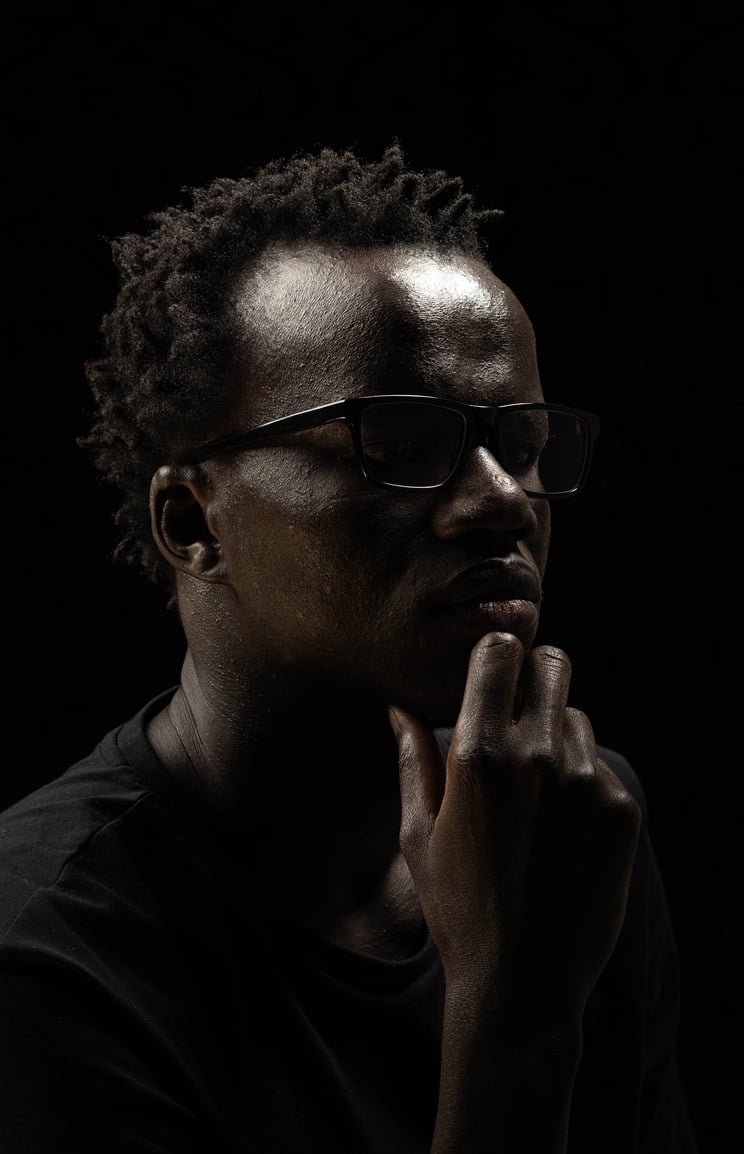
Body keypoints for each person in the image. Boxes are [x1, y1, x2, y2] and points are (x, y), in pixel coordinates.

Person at [0, 141, 698, 1154]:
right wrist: (517, 1009)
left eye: (521, 444)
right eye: (404, 441)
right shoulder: (47, 955)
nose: (505, 500)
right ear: (193, 522)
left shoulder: (568, 825)